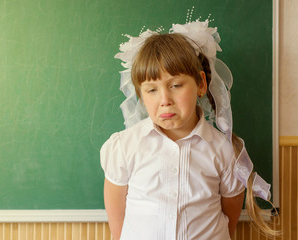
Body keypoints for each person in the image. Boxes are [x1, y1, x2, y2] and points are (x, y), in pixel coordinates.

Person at [100, 19, 278, 240]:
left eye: (175, 85)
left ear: (201, 84)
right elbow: (118, 225)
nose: (164, 100)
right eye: (152, 89)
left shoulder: (225, 150)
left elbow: (228, 220)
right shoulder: (124, 146)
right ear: (140, 94)